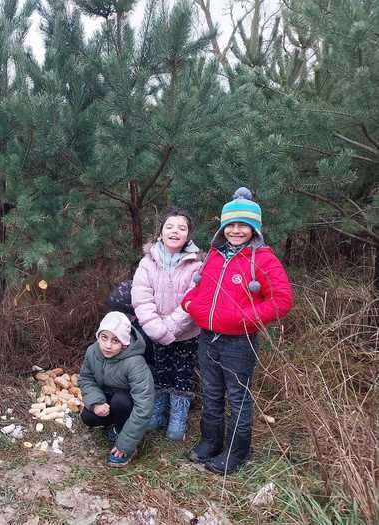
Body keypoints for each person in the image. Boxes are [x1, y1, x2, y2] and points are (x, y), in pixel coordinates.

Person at [183, 187, 293, 474]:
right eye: (230, 225)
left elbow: (282, 300)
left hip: (239, 343)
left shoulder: (264, 259)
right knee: (211, 392)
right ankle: (211, 442)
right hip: (208, 339)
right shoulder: (215, 255)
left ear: (254, 228)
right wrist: (190, 304)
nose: (235, 230)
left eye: (243, 225)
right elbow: (200, 288)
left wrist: (245, 318)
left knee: (238, 398)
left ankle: (236, 451)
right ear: (223, 227)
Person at [131, 208, 202, 441]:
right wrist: (158, 330)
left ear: (188, 235)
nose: (175, 231)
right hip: (155, 331)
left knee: (183, 373)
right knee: (159, 371)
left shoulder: (196, 265)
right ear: (161, 232)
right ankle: (158, 410)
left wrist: (169, 327)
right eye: (170, 226)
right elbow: (142, 299)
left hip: (187, 332)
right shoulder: (147, 263)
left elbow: (194, 298)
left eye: (182, 228)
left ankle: (178, 417)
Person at [78, 311, 155, 468]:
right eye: (104, 337)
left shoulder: (135, 363)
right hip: (107, 398)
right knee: (88, 416)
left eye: (115, 340)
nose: (107, 345)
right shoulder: (92, 352)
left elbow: (144, 405)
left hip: (127, 404)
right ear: (98, 336)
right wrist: (96, 402)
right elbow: (86, 378)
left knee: (121, 401)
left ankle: (125, 439)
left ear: (125, 343)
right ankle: (114, 427)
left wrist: (126, 443)